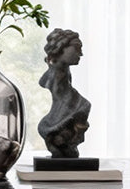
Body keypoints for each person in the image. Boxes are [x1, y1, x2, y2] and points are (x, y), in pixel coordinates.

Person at [37, 28, 91, 158]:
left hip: (67, 109)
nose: (80, 54)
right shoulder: (55, 76)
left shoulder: (64, 72)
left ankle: (67, 143)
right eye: (76, 48)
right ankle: (62, 141)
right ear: (60, 48)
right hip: (64, 110)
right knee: (84, 106)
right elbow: (60, 94)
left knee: (84, 106)